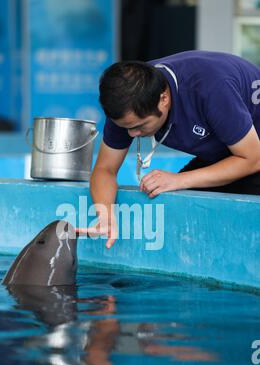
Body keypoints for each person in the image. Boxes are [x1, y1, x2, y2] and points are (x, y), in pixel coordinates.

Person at [77, 50, 260, 248]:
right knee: (178, 206)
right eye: (126, 128)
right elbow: (105, 169)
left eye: (140, 126)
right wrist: (105, 216)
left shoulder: (210, 89)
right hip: (226, 149)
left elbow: (253, 158)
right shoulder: (127, 104)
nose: (132, 134)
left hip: (252, 150)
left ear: (163, 99)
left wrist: (179, 180)